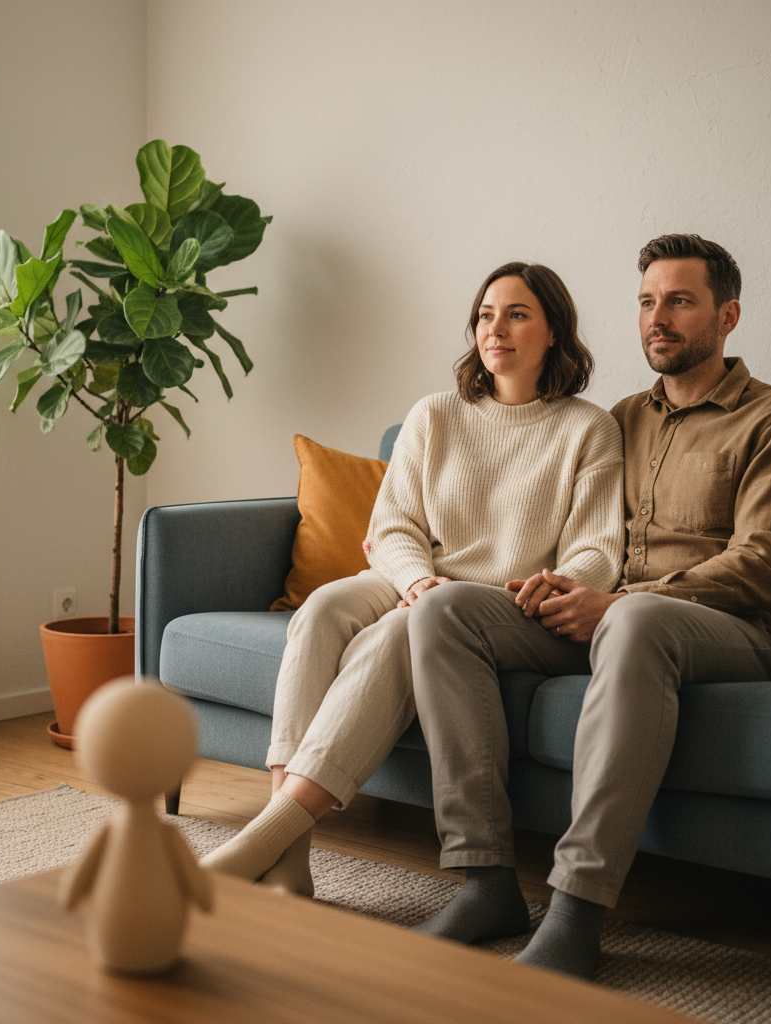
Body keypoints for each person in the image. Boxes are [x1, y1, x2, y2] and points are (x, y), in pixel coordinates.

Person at [409, 234, 771, 979]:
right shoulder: (618, 418)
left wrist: (619, 601)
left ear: (727, 315)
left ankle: (576, 909)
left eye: (679, 301)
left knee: (635, 621)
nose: (656, 318)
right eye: (645, 302)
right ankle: (486, 880)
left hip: (740, 633)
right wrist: (564, 586)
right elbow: (586, 535)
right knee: (448, 612)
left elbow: (763, 566)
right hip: (614, 623)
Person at [201, 262, 625, 908]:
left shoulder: (587, 428)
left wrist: (561, 582)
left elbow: (598, 548)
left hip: (496, 603)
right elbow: (392, 525)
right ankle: (288, 853)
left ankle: (264, 839)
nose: (495, 329)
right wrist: (416, 578)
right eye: (486, 314)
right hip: (417, 578)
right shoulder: (434, 416)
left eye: (517, 314)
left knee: (405, 628)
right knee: (320, 610)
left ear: (554, 333)